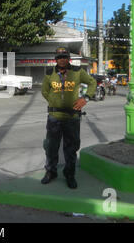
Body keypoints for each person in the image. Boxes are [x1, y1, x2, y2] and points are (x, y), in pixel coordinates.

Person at [41, 47, 96, 189]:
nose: (62, 59)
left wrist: (86, 98)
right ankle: (51, 172)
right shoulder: (49, 73)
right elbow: (45, 91)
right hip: (54, 117)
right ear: (56, 59)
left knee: (71, 148)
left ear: (68, 58)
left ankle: (69, 174)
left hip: (72, 117)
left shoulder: (77, 72)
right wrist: (54, 102)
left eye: (64, 57)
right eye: (59, 57)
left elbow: (92, 83)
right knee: (51, 146)